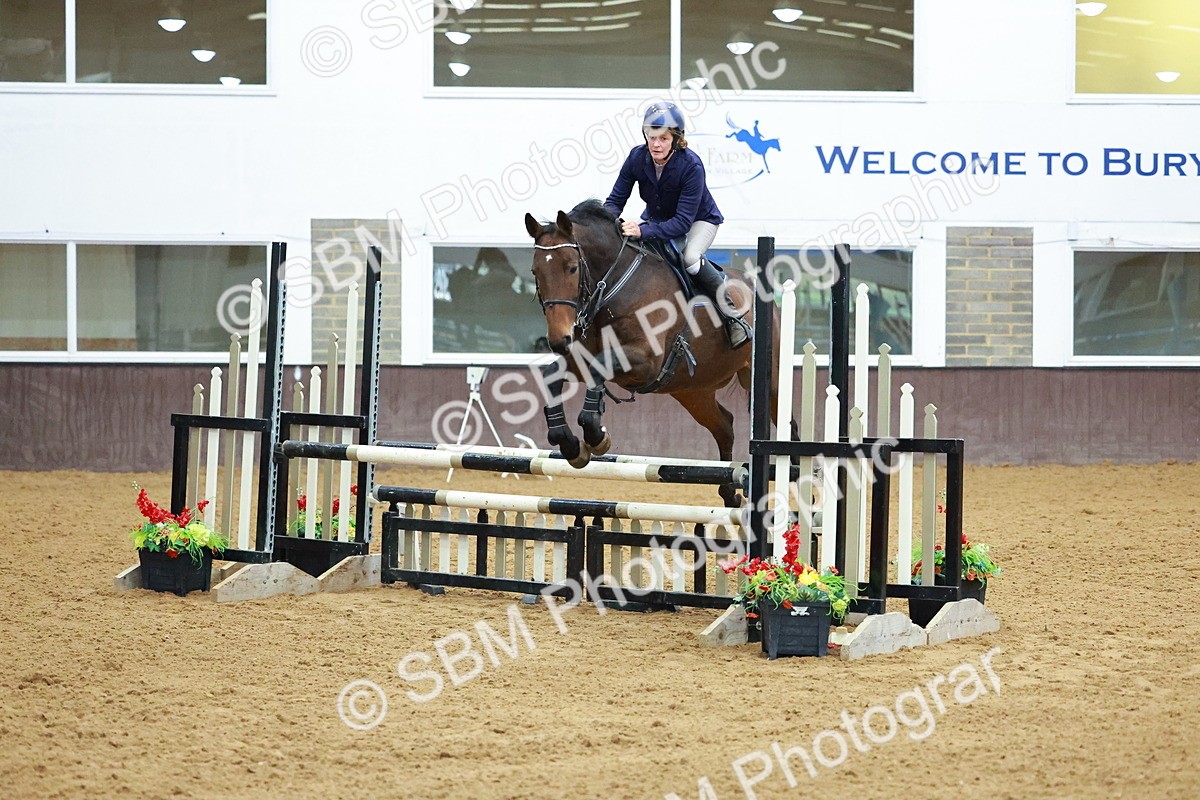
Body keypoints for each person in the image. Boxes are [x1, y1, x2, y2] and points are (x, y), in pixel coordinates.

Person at [603, 102, 752, 348]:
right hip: (657, 219)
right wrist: (608, 223)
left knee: (691, 257)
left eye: (663, 138)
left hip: (698, 221)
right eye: (652, 137)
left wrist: (642, 230)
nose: (656, 144)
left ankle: (733, 317)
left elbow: (682, 223)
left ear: (676, 138)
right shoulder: (636, 158)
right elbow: (615, 200)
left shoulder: (691, 165)